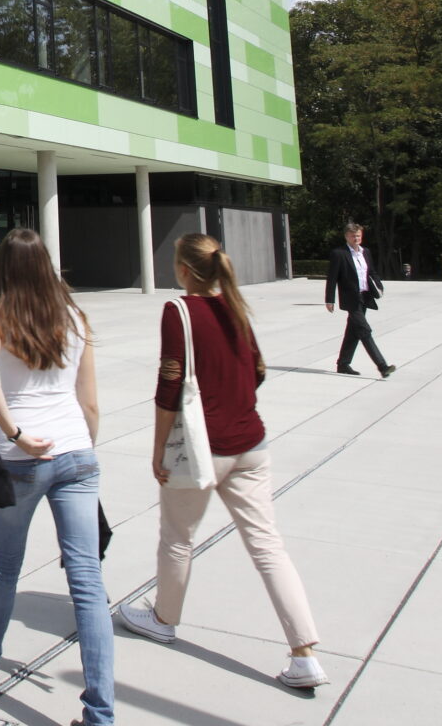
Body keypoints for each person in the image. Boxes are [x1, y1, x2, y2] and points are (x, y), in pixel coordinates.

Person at [119, 234, 325, 691]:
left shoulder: (180, 311)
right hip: (251, 443)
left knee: (177, 537)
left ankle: (163, 618)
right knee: (268, 547)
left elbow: (169, 384)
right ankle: (304, 652)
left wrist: (157, 448)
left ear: (186, 271)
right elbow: (259, 371)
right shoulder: (235, 306)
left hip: (202, 448)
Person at [0, 228, 116, 726]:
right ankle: (100, 715)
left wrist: (16, 432)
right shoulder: (74, 317)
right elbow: (89, 401)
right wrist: (81, 451)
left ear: (3, 267)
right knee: (88, 583)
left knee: (4, 567)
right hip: (76, 454)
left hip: (23, 460)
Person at [324, 222, 392, 378]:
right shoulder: (339, 254)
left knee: (353, 332)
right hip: (350, 299)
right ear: (346, 236)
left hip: (365, 296)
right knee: (365, 331)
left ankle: (343, 364)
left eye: (358, 235)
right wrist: (329, 299)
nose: (356, 238)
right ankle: (382, 366)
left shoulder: (365, 252)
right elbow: (332, 278)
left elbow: (372, 272)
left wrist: (379, 286)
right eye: (353, 236)